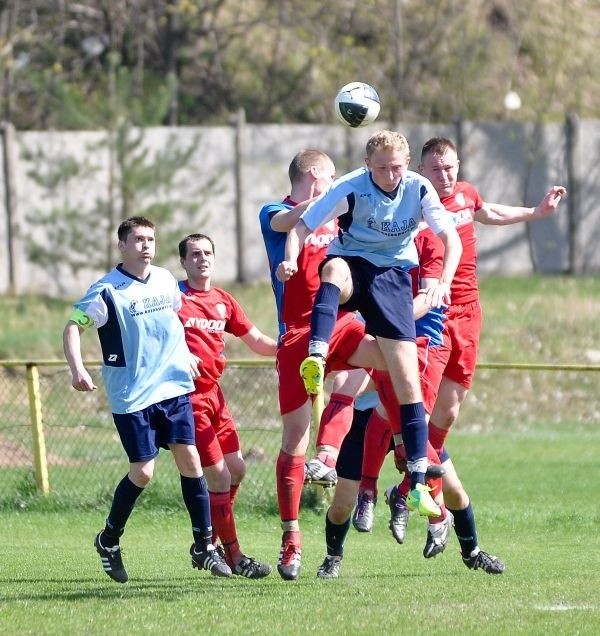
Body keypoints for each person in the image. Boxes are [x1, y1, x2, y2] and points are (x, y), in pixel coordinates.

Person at [380, 138, 566, 573]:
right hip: (431, 319)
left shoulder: (465, 194)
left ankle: (409, 484)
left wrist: (536, 214)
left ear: (456, 165)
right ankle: (416, 490)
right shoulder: (411, 208)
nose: (443, 176)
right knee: (418, 412)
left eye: (448, 167)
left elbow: (491, 212)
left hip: (469, 316)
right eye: (434, 169)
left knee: (451, 409)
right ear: (419, 171)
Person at [277, 130, 463, 530]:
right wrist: (291, 260)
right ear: (367, 165)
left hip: (394, 276)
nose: (390, 175)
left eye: (396, 167)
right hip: (354, 265)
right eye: (381, 168)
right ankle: (318, 351)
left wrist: (445, 280)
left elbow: (451, 239)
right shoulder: (351, 187)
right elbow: (299, 228)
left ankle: (416, 474)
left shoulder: (418, 188)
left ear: (408, 164)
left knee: (406, 375)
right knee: (333, 269)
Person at [63, 216, 231, 583]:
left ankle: (204, 545)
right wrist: (77, 369)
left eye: (150, 239)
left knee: (191, 459)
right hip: (132, 394)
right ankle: (108, 540)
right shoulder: (107, 290)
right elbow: (73, 326)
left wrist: (183, 353)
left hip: (172, 388)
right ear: (121, 245)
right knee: (144, 471)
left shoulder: (166, 280)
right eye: (138, 239)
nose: (146, 246)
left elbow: (171, 320)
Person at [259, 149, 389, 581]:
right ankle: (291, 538)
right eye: (331, 176)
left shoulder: (336, 216)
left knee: (392, 360)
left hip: (343, 323)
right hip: (298, 334)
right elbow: (287, 223)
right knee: (294, 439)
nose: (336, 183)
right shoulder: (275, 212)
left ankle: (338, 456)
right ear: (315, 175)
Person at [177, 232, 277, 579]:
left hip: (215, 397)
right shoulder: (174, 298)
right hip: (187, 398)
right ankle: (234, 556)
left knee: (237, 469)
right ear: (183, 261)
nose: (202, 258)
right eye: (194, 254)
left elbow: (258, 341)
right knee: (218, 474)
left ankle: (209, 544)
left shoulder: (223, 300)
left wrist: (293, 346)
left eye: (207, 253)